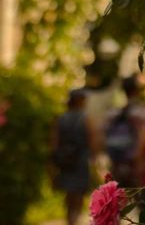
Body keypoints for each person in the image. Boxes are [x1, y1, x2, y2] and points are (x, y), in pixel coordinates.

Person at [52, 89, 97, 225]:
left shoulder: (61, 118)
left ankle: (70, 218)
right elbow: (91, 138)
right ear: (79, 101)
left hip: (65, 159)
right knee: (79, 192)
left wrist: (55, 159)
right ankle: (74, 218)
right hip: (80, 159)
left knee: (69, 192)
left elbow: (54, 141)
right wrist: (94, 158)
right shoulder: (85, 118)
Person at [105, 75, 145, 187]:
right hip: (132, 158)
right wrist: (140, 155)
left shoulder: (114, 112)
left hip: (116, 157)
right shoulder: (140, 112)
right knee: (134, 189)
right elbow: (143, 135)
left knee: (117, 188)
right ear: (136, 90)